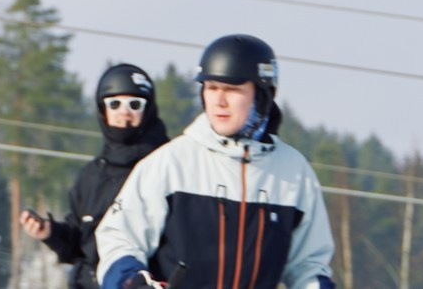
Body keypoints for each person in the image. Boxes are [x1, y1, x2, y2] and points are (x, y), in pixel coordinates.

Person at [95, 34, 336, 289]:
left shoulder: (294, 173)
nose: (219, 101)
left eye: (232, 89)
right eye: (211, 88)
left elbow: (309, 265)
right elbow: (118, 239)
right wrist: (132, 282)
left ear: (262, 94)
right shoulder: (172, 163)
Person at [20, 63, 170, 289]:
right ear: (103, 110)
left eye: (134, 104)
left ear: (148, 110)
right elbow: (80, 243)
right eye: (115, 104)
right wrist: (50, 232)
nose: (124, 112)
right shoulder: (92, 175)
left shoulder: (166, 167)